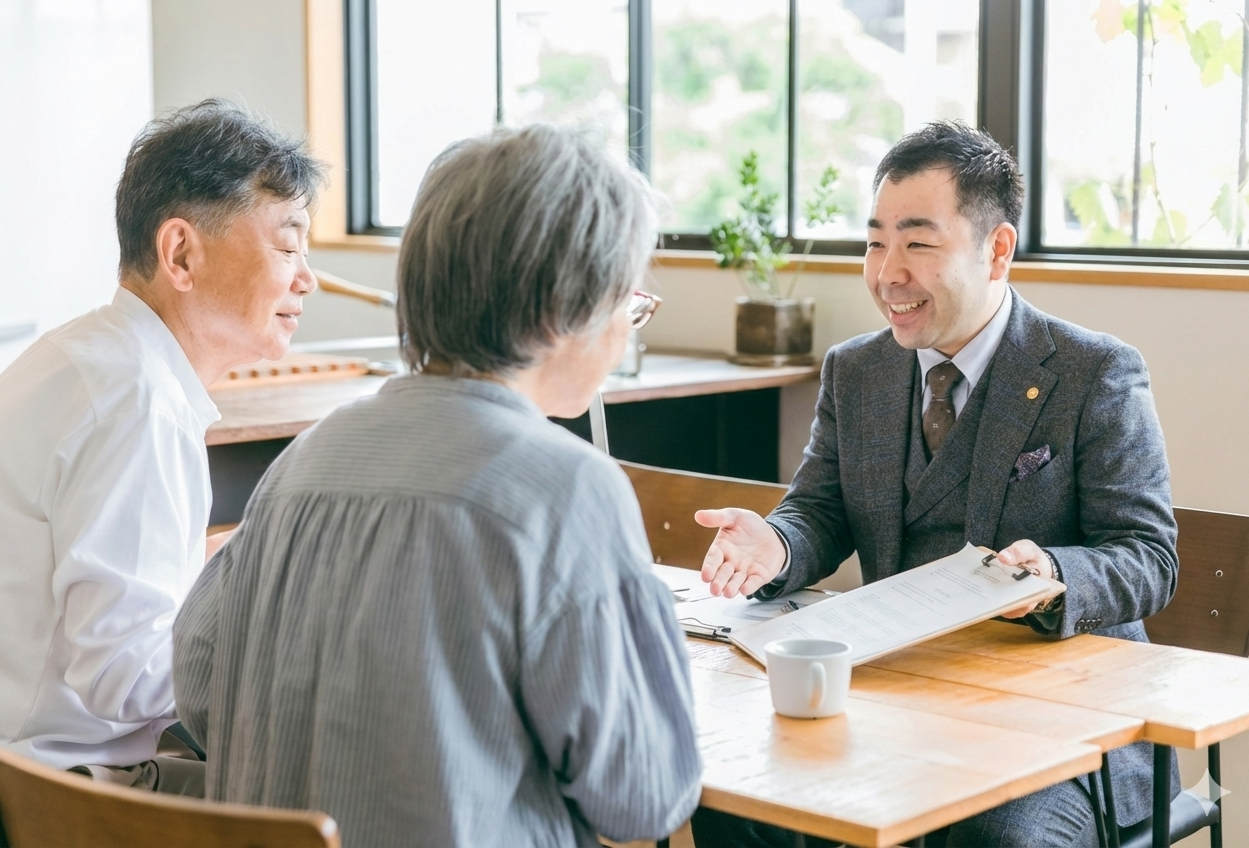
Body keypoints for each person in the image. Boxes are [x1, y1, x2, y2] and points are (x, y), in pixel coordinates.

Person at [172, 124, 701, 847]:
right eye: (628, 300)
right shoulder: (566, 487)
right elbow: (643, 798)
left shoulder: (305, 460)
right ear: (565, 307)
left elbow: (199, 691)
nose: (626, 331)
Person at [691, 122, 1179, 847]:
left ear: (998, 251)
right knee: (730, 800)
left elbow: (1149, 556)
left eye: (918, 244)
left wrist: (1052, 574)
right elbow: (820, 509)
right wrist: (778, 545)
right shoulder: (857, 370)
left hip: (1056, 733)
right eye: (874, 242)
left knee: (989, 839)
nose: (888, 273)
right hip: (892, 701)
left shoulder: (1092, 372)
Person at [0, 99, 324, 796]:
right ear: (181, 252)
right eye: (288, 245)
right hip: (58, 792)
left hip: (29, 763)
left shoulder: (83, 358)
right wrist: (291, 644)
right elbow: (124, 674)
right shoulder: (137, 404)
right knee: (340, 789)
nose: (308, 279)